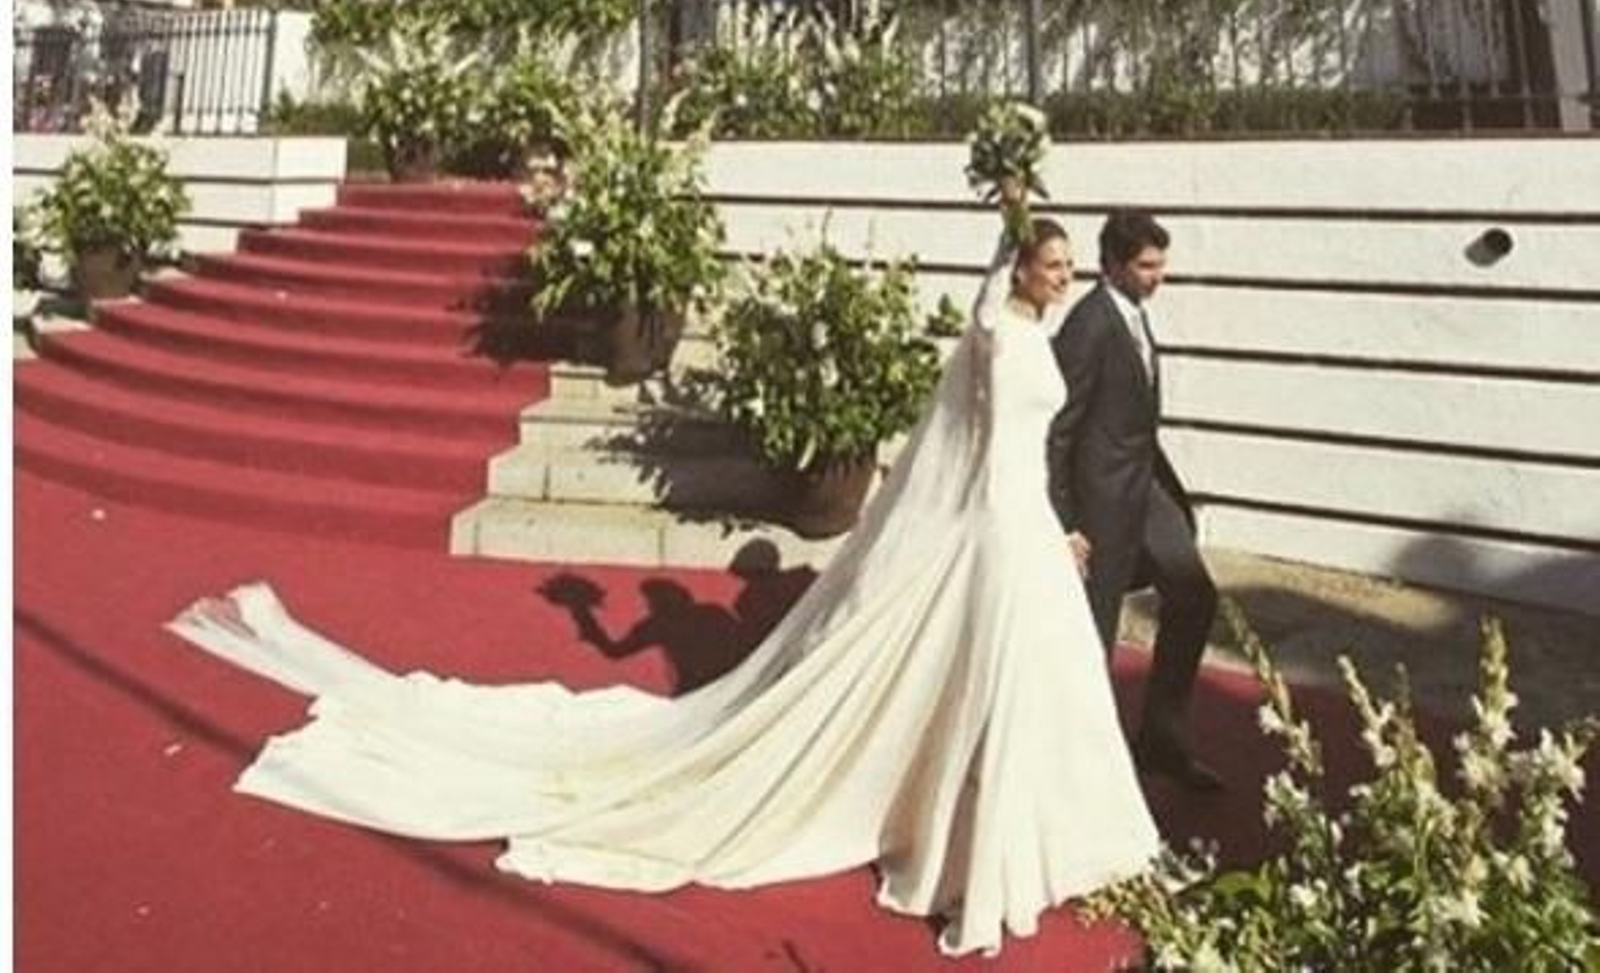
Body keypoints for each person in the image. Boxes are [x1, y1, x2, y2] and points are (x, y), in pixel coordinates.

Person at [167, 209, 1161, 959]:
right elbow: (990, 362)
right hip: (989, 526)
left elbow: (1040, 443)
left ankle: (1056, 836)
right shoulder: (997, 328)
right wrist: (1006, 205)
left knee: (1044, 682)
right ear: (1018, 266)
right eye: (1050, 263)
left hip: (1028, 523)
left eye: (1069, 266)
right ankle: (970, 855)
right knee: (994, 679)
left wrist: (1062, 526)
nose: (1062, 276)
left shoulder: (1045, 330)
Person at [1047, 211, 1222, 792]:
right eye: (1147, 266)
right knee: (1093, 634)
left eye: (1161, 265)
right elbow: (1059, 429)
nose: (1157, 278)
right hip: (1100, 505)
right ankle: (1080, 770)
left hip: (1145, 489)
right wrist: (1065, 520)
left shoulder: (1135, 314)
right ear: (1114, 265)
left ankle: (1161, 739)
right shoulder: (1089, 324)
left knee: (1194, 595)